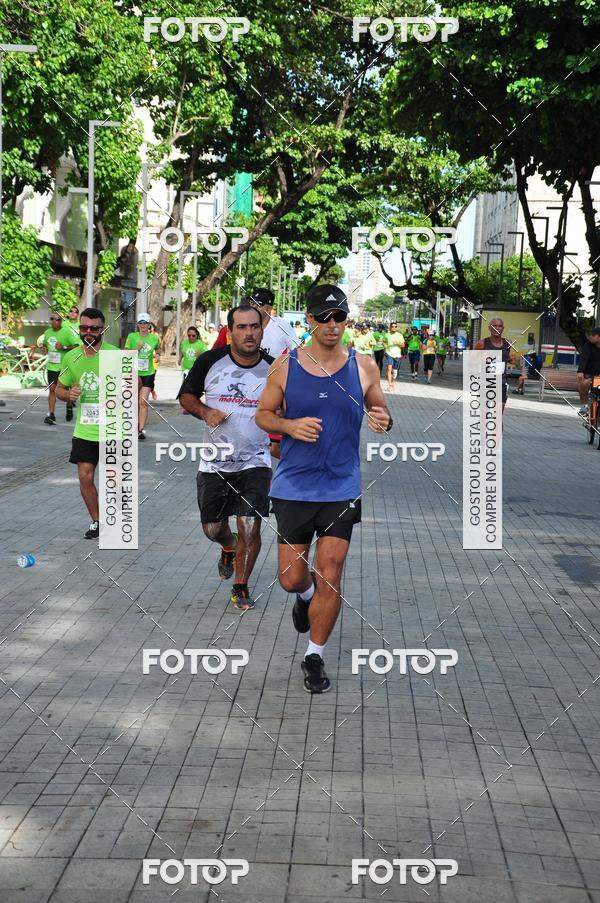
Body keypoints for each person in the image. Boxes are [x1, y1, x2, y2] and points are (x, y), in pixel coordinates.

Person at [255, 284, 392, 695]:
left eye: (340, 317)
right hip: (294, 486)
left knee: (330, 571)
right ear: (310, 320)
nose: (333, 325)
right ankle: (305, 597)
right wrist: (288, 425)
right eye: (325, 318)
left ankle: (314, 655)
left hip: (340, 487)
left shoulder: (364, 366)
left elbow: (381, 410)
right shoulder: (286, 365)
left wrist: (383, 420)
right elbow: (263, 415)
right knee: (291, 578)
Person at [179, 305, 273, 611]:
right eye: (241, 327)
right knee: (212, 529)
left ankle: (241, 586)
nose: (249, 333)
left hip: (255, 461)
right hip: (214, 463)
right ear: (230, 331)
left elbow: (288, 408)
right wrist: (205, 412)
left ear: (262, 330)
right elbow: (186, 396)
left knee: (250, 525)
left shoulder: (275, 369)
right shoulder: (209, 361)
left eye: (254, 326)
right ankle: (229, 546)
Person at [55, 308, 119, 538]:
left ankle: (115, 520)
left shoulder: (115, 355)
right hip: (85, 429)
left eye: (94, 328)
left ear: (103, 329)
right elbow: (59, 389)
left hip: (113, 428)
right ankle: (97, 521)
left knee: (115, 480)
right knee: (85, 477)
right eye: (84, 328)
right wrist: (68, 395)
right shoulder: (71, 357)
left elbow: (136, 385)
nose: (88, 332)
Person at [125, 312, 161, 440]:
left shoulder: (154, 338)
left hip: (149, 373)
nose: (143, 325)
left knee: (143, 401)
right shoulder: (132, 336)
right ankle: (134, 426)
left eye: (145, 323)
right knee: (134, 401)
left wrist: (158, 355)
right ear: (137, 324)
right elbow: (126, 353)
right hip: (135, 372)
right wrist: (137, 348)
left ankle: (140, 430)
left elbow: (158, 348)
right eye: (140, 323)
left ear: (149, 324)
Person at [40, 312, 80, 424]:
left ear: (61, 321)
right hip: (52, 366)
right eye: (52, 319)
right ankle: (51, 415)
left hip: (65, 366)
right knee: (52, 389)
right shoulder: (47, 332)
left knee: (66, 390)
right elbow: (45, 345)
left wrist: (64, 347)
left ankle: (69, 405)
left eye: (57, 319)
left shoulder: (67, 332)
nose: (54, 321)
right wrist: (44, 348)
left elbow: (77, 346)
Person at [474, 318, 516, 410]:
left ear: (503, 328)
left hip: (501, 383)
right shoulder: (482, 343)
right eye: (494, 326)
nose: (497, 328)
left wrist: (511, 360)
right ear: (489, 328)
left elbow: (506, 357)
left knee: (498, 414)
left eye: (500, 326)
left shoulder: (508, 343)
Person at [248, 288, 298, 358]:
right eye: (252, 303)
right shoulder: (245, 325)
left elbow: (298, 351)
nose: (254, 307)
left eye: (259, 304)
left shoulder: (281, 326)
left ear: (269, 309)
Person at [577, 327, 600, 414]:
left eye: (593, 335)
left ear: (598, 337)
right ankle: (584, 405)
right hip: (590, 373)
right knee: (582, 384)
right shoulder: (588, 345)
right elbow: (584, 359)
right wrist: (580, 371)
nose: (590, 337)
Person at [382, 322, 405, 391]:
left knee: (395, 371)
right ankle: (389, 384)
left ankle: (393, 382)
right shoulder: (387, 335)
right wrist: (384, 345)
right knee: (389, 369)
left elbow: (403, 345)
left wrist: (397, 343)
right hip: (389, 353)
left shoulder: (400, 335)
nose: (394, 328)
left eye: (395, 326)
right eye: (392, 326)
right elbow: (383, 341)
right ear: (390, 327)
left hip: (397, 354)